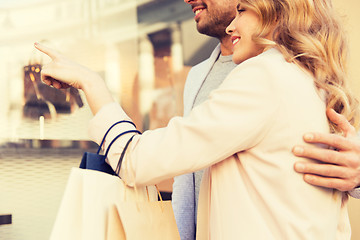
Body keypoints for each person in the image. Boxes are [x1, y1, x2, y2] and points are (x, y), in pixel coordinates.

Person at [35, 0, 360, 238]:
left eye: (243, 10)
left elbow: (139, 161)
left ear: (276, 10)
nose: (234, 25)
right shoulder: (312, 80)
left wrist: (92, 83)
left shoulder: (263, 75)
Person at [176, 0, 360, 238]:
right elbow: (188, 165)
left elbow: (344, 143)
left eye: (242, 9)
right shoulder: (197, 75)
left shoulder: (300, 70)